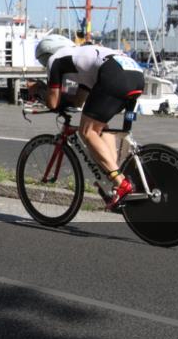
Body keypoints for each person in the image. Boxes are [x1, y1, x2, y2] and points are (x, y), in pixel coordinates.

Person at [30, 34, 145, 210]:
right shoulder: (82, 58)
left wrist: (39, 89)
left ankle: (120, 183)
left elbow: (53, 103)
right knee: (99, 126)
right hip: (135, 74)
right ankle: (112, 176)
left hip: (114, 74)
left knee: (87, 131)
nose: (45, 64)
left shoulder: (56, 60)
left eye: (42, 61)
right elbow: (78, 101)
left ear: (46, 55)